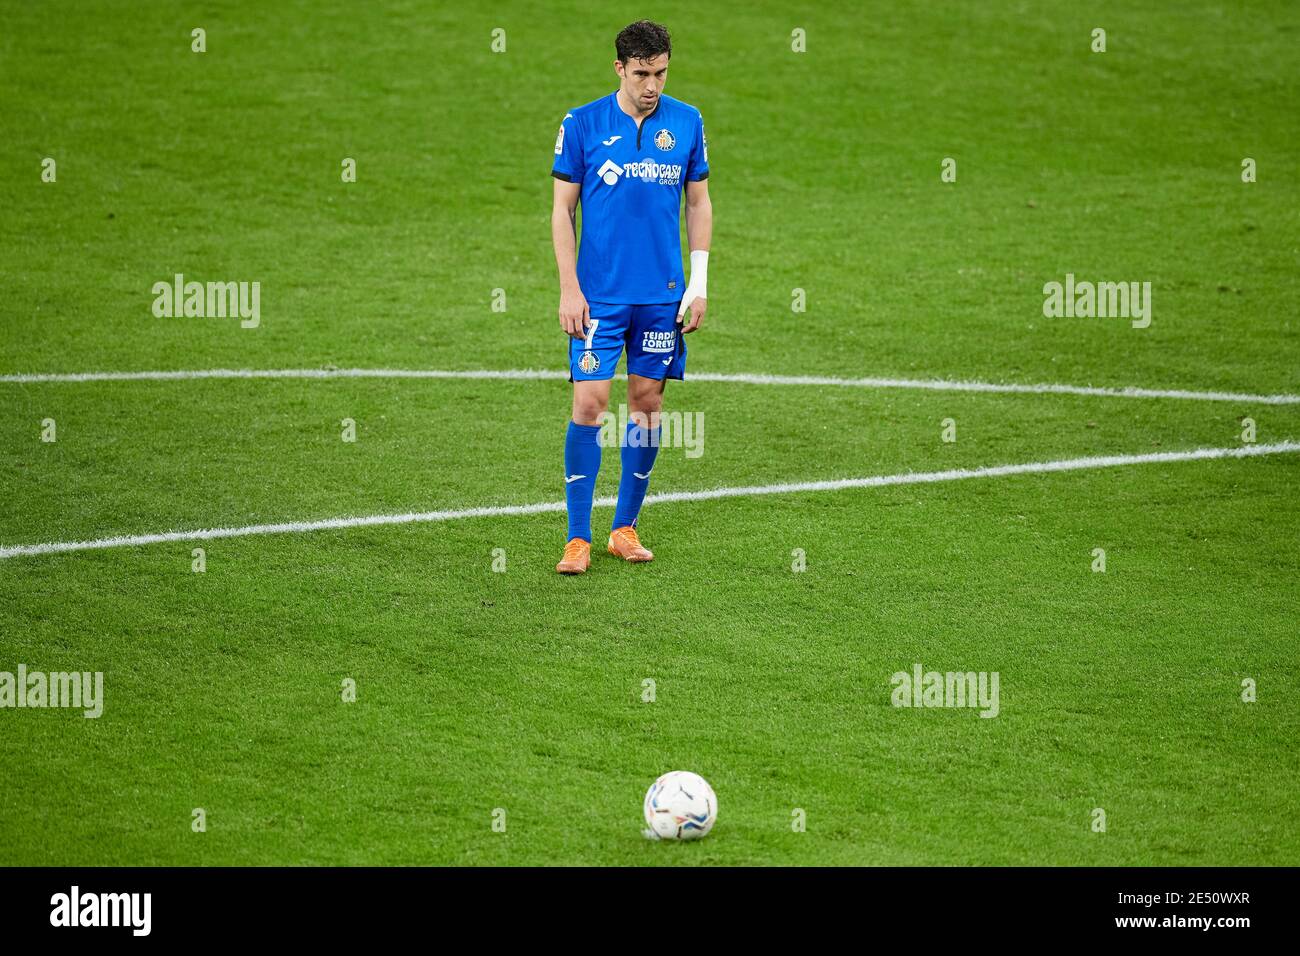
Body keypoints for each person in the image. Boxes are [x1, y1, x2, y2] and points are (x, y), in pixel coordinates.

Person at [549, 19, 713, 575]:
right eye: (642, 73)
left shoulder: (687, 122)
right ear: (620, 67)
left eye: (661, 73)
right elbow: (560, 211)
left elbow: (698, 203)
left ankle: (624, 528)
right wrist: (570, 288)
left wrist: (700, 280)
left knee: (647, 406)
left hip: (661, 296)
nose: (653, 85)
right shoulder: (582, 123)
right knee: (590, 405)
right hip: (600, 299)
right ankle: (577, 538)